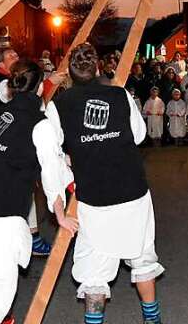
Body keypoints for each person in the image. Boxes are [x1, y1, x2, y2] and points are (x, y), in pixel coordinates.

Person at [47, 43, 165, 324]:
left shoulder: (58, 106)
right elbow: (138, 135)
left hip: (94, 197)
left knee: (93, 270)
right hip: (132, 191)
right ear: (98, 68)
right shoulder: (120, 94)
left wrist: (67, 160)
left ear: (69, 74)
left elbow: (49, 153)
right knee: (142, 257)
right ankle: (152, 320)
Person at [0, 61, 71, 324]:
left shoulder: (0, 114)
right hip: (2, 212)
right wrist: (61, 215)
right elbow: (51, 173)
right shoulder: (38, 122)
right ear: (38, 89)